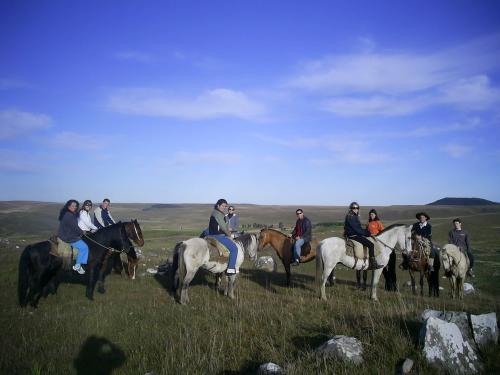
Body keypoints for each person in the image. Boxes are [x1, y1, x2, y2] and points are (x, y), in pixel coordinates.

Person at [344, 202, 382, 269]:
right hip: (354, 235)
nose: (355, 209)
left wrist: (366, 232)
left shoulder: (353, 216)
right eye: (354, 208)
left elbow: (359, 228)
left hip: (354, 234)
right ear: (351, 209)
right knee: (371, 245)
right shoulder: (351, 217)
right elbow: (357, 229)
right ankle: (372, 264)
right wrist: (368, 234)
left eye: (357, 208)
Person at [57, 199, 89, 274]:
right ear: (68, 206)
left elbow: (73, 227)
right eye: (72, 206)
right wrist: (82, 232)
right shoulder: (69, 215)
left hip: (64, 234)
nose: (74, 207)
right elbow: (75, 228)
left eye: (75, 206)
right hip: (68, 237)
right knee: (84, 247)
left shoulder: (66, 213)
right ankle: (78, 266)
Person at [208, 199, 239, 274]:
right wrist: (230, 235)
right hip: (218, 236)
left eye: (225, 206)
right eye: (222, 206)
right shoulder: (218, 214)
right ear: (218, 205)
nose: (224, 207)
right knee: (234, 249)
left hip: (212, 235)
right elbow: (223, 227)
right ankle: (230, 268)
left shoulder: (215, 212)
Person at [357, 209, 386, 288]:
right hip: (368, 239)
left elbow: (383, 232)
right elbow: (366, 231)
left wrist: (375, 234)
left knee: (373, 249)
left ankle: (374, 261)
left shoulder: (378, 223)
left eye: (372, 214)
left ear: (375, 215)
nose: (371, 216)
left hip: (376, 240)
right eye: (370, 214)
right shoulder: (368, 223)